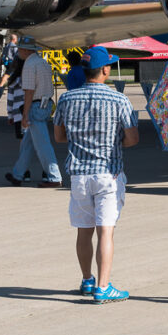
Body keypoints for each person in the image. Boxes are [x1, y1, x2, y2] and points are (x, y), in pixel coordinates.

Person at [53, 46, 140, 304]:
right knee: (106, 232)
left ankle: (88, 280)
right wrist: (112, 143)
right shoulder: (119, 100)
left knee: (83, 231)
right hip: (107, 174)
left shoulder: (67, 99)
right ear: (104, 70)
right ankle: (104, 287)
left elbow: (59, 137)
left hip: (79, 175)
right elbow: (133, 139)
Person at [7, 36, 63, 188]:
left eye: (19, 48)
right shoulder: (42, 62)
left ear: (25, 50)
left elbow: (29, 91)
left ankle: (54, 176)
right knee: (28, 143)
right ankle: (18, 174)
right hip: (45, 104)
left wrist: (25, 115)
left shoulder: (29, 65)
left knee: (42, 144)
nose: (18, 51)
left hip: (35, 105)